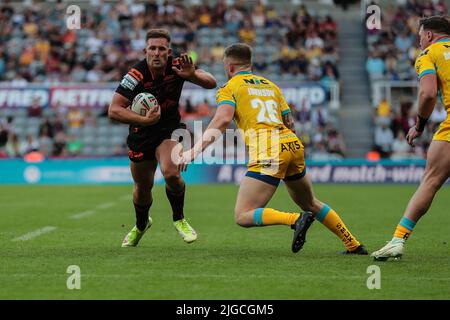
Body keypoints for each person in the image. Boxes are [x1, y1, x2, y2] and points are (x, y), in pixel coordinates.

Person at [180, 43, 367, 254]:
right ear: (249, 64)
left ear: (230, 67)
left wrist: (193, 151)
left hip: (268, 150)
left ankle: (296, 220)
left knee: (243, 215)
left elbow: (222, 120)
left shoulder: (230, 88)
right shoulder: (271, 86)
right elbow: (290, 123)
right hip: (292, 144)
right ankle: (353, 244)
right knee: (310, 202)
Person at [108, 29, 216, 247]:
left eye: (161, 49)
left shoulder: (178, 66)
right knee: (142, 187)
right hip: (142, 133)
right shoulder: (134, 76)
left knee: (170, 172)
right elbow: (114, 110)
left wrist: (193, 75)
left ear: (168, 51)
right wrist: (145, 121)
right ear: (145, 50)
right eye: (152, 48)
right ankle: (140, 224)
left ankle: (179, 219)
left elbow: (212, 82)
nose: (157, 53)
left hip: (169, 129)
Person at [372, 16, 450, 261]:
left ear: (428, 35)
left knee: (430, 180)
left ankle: (397, 240)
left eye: (419, 35)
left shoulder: (428, 54)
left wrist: (419, 126)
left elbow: (428, 94)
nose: (418, 40)